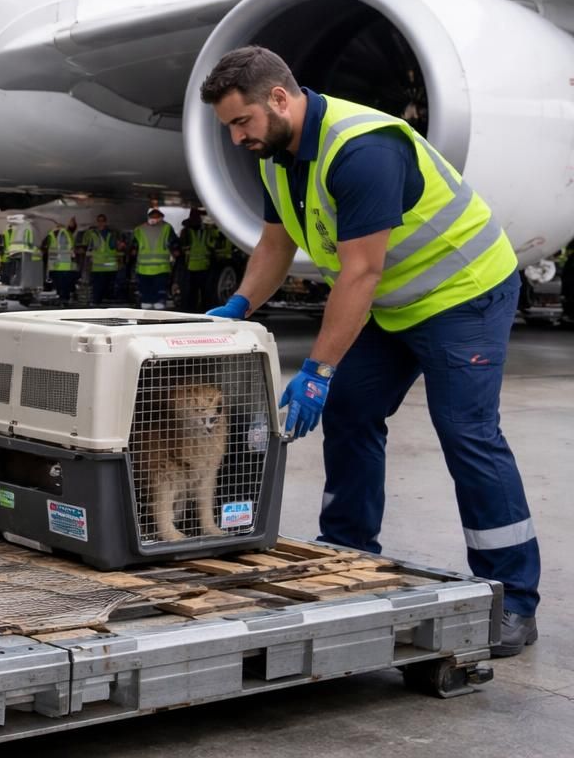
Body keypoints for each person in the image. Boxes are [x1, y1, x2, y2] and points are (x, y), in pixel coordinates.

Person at [199, 45, 539, 657]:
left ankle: (512, 595)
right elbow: (276, 244)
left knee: (466, 431)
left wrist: (318, 368)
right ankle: (348, 556)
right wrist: (239, 306)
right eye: (229, 126)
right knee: (351, 413)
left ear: (279, 98)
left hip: (463, 293)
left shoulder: (363, 149)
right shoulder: (278, 156)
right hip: (394, 303)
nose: (236, 137)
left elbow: (360, 272)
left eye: (241, 121)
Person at [131, 208, 177, 309]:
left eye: (156, 217)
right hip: (146, 268)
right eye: (152, 217)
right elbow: (134, 246)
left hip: (159, 268)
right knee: (147, 291)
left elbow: (174, 243)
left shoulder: (166, 228)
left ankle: (156, 307)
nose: (154, 219)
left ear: (161, 218)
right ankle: (148, 306)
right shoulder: (140, 229)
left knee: (158, 292)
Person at [178, 208, 215, 312]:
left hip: (192, 267)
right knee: (201, 292)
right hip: (199, 267)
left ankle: (192, 310)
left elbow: (182, 249)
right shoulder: (204, 232)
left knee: (192, 293)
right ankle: (201, 309)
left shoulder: (187, 232)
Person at [82, 213, 121, 305]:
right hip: (96, 265)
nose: (100, 223)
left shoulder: (111, 234)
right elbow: (86, 245)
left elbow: (115, 247)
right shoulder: (92, 234)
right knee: (97, 285)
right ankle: (96, 301)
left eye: (102, 221)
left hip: (109, 266)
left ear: (105, 222)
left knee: (106, 285)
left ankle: (102, 300)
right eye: (99, 221)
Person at [43, 218, 79, 305]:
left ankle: (63, 298)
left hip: (60, 265)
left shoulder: (52, 234)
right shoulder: (61, 234)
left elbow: (45, 249)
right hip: (62, 265)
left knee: (62, 285)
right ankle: (63, 299)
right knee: (63, 285)